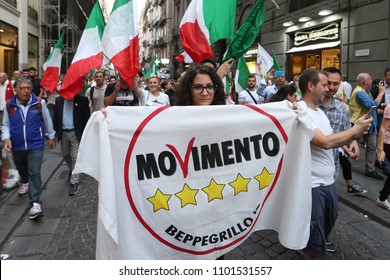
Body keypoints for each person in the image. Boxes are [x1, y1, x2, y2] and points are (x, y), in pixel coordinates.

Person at [299, 68, 372, 259]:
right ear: (311, 86)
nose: (329, 89)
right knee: (314, 241)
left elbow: (334, 138)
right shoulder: (299, 111)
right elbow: (324, 142)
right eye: (324, 84)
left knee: (326, 224)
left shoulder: (321, 113)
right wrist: (355, 129)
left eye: (334, 84)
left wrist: (351, 141)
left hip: (329, 181)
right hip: (312, 185)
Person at [2, 78, 56, 220]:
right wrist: (7, 138)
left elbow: (47, 119)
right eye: (22, 88)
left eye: (28, 88)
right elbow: (6, 124)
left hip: (36, 144)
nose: (26, 91)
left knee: (35, 172)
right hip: (17, 145)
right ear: (16, 90)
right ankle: (24, 182)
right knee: (22, 170)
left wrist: (51, 136)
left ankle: (35, 203)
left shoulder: (39, 103)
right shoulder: (9, 105)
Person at [319, 67, 367, 195]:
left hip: (331, 169)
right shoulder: (308, 106)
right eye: (328, 83)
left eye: (335, 84)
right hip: (309, 170)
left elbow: (347, 134)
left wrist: (353, 141)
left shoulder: (342, 109)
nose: (331, 87)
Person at [350, 73, 385, 180]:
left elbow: (370, 107)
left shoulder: (365, 92)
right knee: (350, 145)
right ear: (364, 82)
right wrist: (381, 93)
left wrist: (377, 110)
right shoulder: (360, 92)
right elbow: (372, 104)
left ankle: (370, 170)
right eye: (369, 79)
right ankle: (342, 161)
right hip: (360, 125)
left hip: (369, 124)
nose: (371, 80)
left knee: (372, 147)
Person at [53, 94, 90, 196]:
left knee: (75, 157)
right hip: (63, 133)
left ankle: (74, 181)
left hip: (75, 133)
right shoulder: (59, 100)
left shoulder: (82, 100)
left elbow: (86, 117)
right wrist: (55, 134)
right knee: (66, 154)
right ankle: (72, 169)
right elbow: (56, 117)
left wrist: (85, 134)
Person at [376, 102, 390, 210]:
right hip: (388, 143)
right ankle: (382, 198)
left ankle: (382, 198)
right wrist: (380, 150)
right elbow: (383, 129)